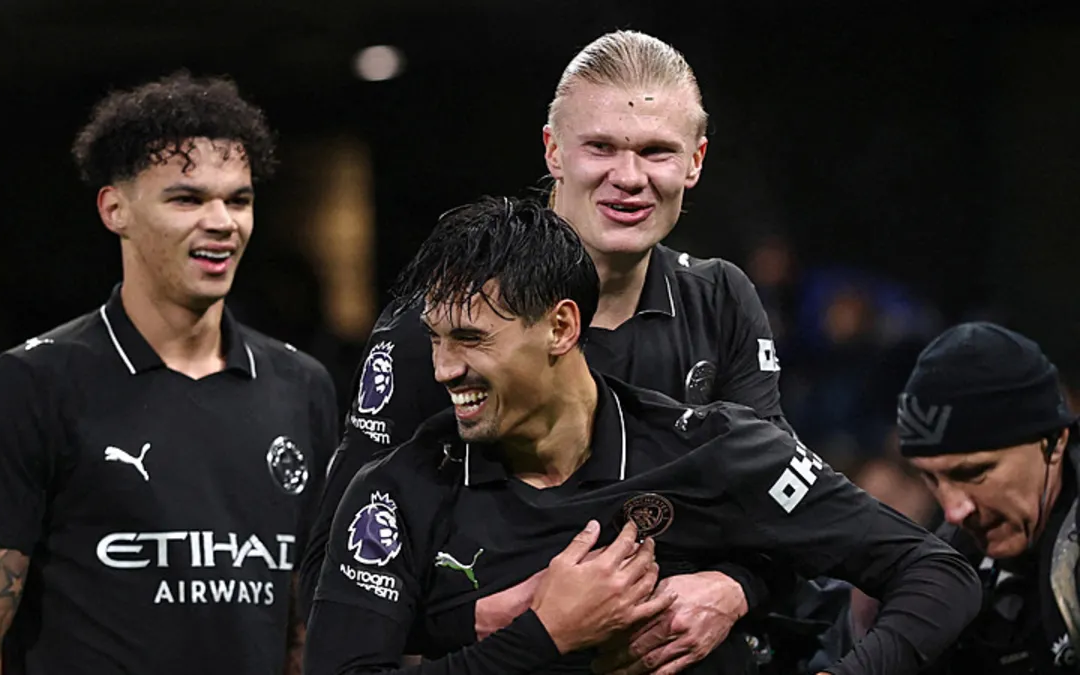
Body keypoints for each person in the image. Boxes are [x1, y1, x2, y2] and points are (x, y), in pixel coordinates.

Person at [303, 195, 981, 675]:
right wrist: (544, 633)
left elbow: (936, 571)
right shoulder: (398, 490)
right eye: (436, 339)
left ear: (561, 328)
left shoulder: (710, 450)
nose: (444, 369)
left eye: (471, 339)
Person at [302, 30, 804, 674]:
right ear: (553, 150)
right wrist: (496, 619)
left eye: (656, 151)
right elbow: (330, 580)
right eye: (601, 147)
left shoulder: (720, 300)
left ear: (695, 161)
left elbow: (786, 511)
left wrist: (734, 589)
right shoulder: (442, 326)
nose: (629, 178)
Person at [0, 72, 338, 674]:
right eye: (187, 199)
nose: (222, 221)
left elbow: (305, 630)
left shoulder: (302, 387)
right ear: (115, 209)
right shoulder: (32, 383)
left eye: (238, 200)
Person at [896, 322, 1080, 673]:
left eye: (974, 473)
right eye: (931, 478)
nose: (953, 511)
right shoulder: (943, 575)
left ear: (1054, 443)